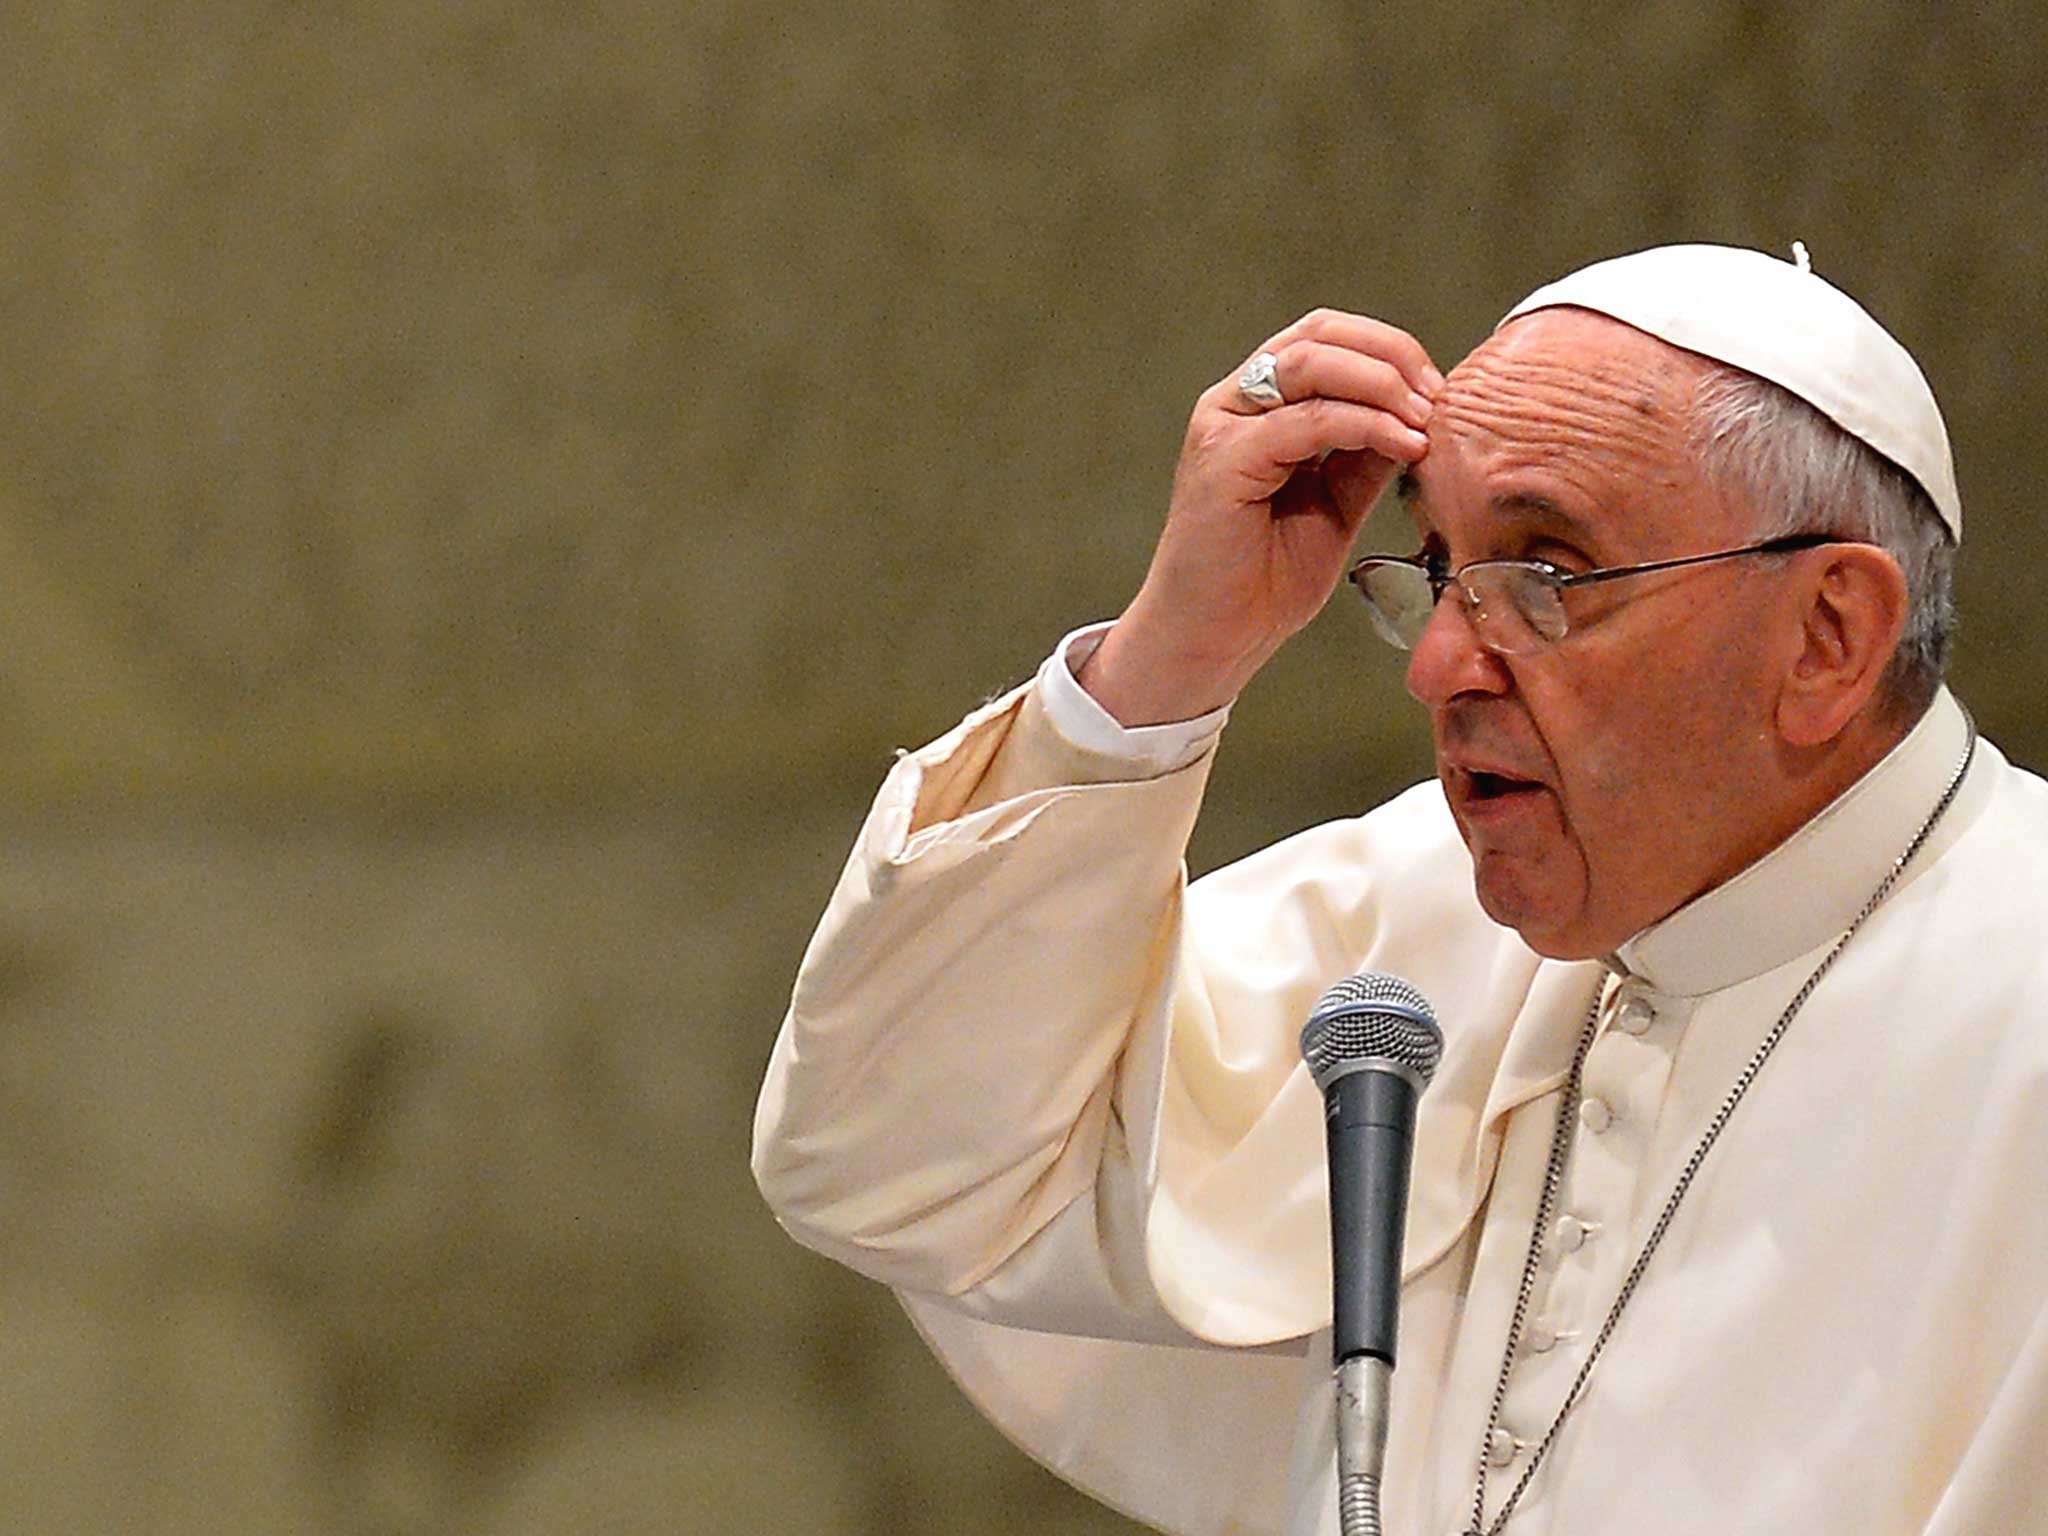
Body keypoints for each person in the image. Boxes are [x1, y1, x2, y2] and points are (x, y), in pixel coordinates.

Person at [751, 245, 2048, 1536]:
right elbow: (890, 1161)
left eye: (1543, 576)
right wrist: (1173, 653)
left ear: (1826, 637)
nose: (1437, 664)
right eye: (1436, 571)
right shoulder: (1420, 926)